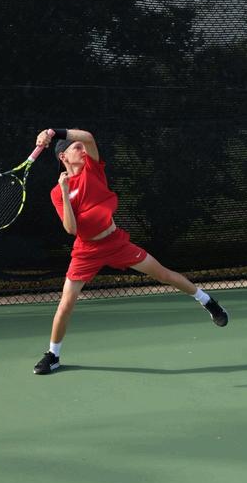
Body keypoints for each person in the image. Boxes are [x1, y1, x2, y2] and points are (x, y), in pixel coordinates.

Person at [33, 128, 228, 375]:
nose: (82, 150)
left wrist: (53, 131)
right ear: (63, 157)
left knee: (163, 274)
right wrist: (63, 189)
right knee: (66, 303)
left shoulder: (92, 168)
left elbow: (89, 137)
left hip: (116, 243)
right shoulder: (57, 193)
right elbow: (71, 229)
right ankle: (53, 355)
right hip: (86, 250)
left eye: (82, 147)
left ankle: (208, 302)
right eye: (76, 148)